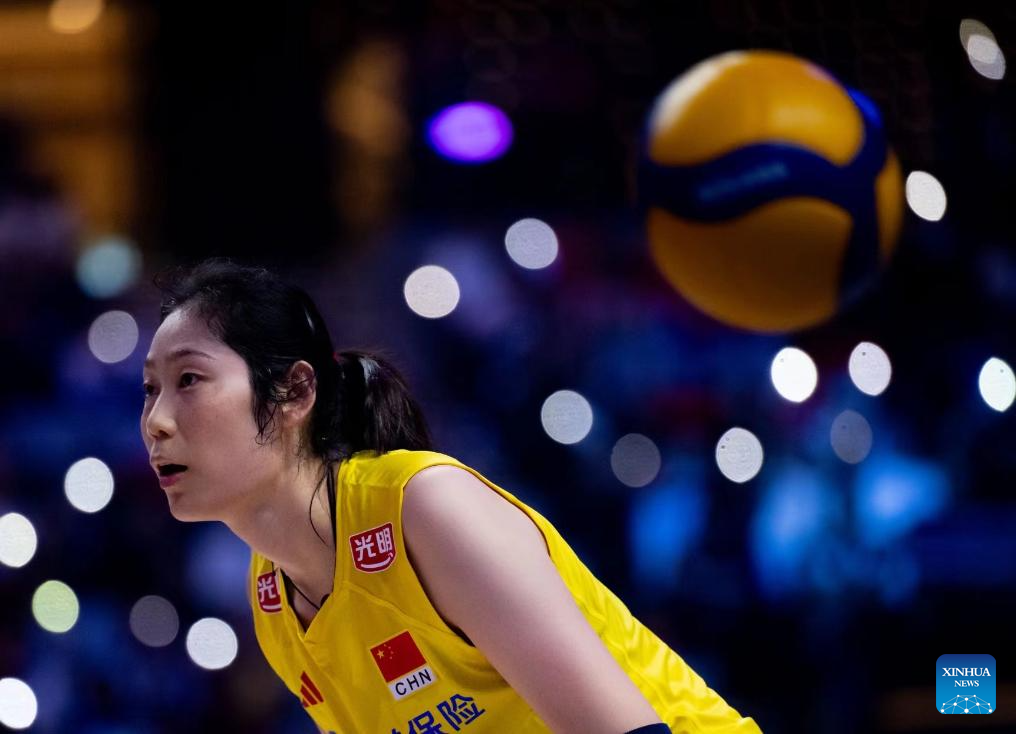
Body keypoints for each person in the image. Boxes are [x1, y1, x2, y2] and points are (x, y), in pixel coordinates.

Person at [139, 257, 763, 734]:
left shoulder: (426, 506)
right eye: (149, 389)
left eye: (189, 379)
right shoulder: (273, 600)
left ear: (295, 392)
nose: (156, 422)